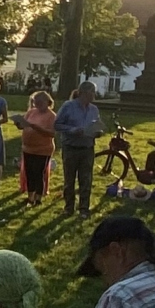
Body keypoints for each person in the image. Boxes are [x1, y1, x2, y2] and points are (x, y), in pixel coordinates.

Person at [54, 82, 103, 216]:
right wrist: (72, 130)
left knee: (86, 179)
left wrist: (98, 132)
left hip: (87, 147)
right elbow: (57, 124)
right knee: (69, 180)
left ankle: (84, 209)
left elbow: (97, 124)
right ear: (83, 93)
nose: (94, 95)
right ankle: (69, 207)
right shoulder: (68, 106)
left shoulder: (94, 109)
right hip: (71, 147)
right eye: (92, 92)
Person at [16, 90, 56, 203]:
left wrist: (35, 127)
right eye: (35, 102)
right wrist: (19, 124)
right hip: (28, 148)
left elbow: (52, 133)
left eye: (39, 102)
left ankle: (38, 197)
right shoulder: (31, 112)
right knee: (29, 173)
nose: (37, 105)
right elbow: (24, 125)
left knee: (38, 173)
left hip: (43, 149)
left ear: (47, 102)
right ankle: (30, 196)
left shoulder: (51, 116)